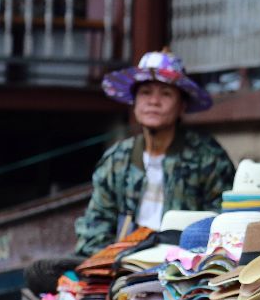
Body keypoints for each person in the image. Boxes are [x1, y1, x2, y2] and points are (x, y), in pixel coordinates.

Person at [74, 50, 234, 256]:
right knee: (45, 270)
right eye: (146, 92)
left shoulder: (208, 158)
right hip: (123, 261)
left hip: (183, 262)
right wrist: (113, 261)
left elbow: (224, 220)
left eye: (165, 94)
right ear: (134, 102)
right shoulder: (117, 160)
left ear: (182, 106)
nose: (154, 101)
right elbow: (96, 223)